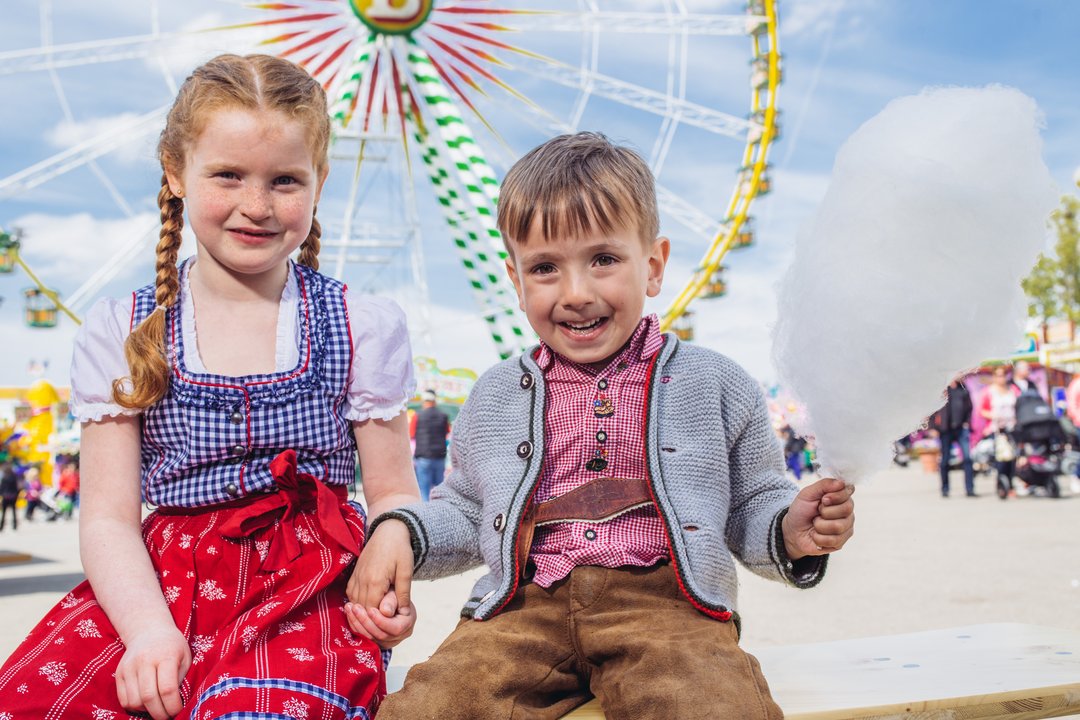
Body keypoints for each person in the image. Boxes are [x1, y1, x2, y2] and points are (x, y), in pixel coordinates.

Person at [357, 132, 856, 719]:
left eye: (603, 260)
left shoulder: (719, 385)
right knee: (431, 708)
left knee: (710, 706)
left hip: (670, 611)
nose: (576, 292)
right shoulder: (494, 397)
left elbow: (753, 504)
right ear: (516, 283)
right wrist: (402, 531)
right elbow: (467, 513)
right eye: (545, 268)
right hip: (520, 610)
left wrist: (789, 530)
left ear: (653, 266)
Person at [0, 54, 419, 719]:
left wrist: (393, 544)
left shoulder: (360, 326)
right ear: (175, 173)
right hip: (159, 591)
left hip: (305, 593)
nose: (256, 206)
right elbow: (108, 517)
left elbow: (393, 488)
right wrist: (145, 630)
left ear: (320, 182)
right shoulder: (124, 330)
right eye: (227, 175)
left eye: (285, 180)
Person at [980, 365, 1021, 499]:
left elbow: (1020, 404)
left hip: (1012, 427)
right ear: (994, 377)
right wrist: (994, 415)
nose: (1001, 378)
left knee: (1013, 458)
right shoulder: (988, 392)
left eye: (1003, 374)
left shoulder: (1013, 389)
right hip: (997, 429)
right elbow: (982, 410)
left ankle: (1011, 485)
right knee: (1002, 459)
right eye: (998, 375)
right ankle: (1002, 485)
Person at [930, 378, 976, 497]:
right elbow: (932, 409)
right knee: (945, 460)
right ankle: (945, 489)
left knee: (967, 459)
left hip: (961, 429)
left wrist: (967, 422)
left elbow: (970, 408)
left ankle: (969, 489)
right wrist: (933, 427)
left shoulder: (963, 389)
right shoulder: (942, 389)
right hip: (945, 429)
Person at [410, 389, 450, 500]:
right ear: (435, 401)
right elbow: (447, 432)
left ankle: (424, 515)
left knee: (424, 490)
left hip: (423, 457)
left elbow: (412, 434)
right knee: (440, 491)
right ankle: (439, 513)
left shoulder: (417, 416)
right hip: (439, 457)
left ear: (424, 401)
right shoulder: (443, 416)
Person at [0, 463, 21, 531]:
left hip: (5, 496)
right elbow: (16, 487)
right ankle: (14, 525)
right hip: (13, 496)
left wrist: (2, 494)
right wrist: (16, 495)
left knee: (4, 512)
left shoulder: (4, 477)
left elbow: (2, 488)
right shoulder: (14, 477)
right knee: (14, 511)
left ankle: (2, 526)